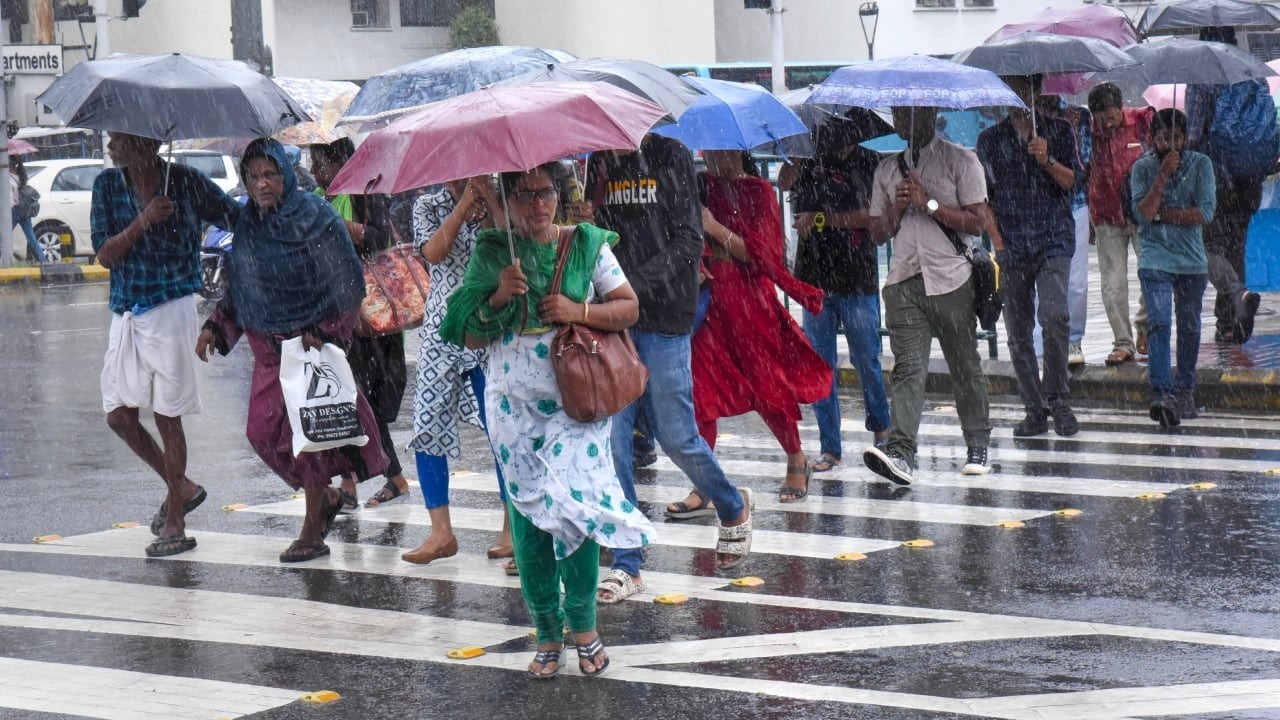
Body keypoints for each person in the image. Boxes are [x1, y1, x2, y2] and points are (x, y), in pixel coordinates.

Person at [439, 162, 656, 679]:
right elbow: (467, 334)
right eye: (526, 195)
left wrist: (578, 311)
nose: (539, 205)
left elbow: (628, 307)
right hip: (512, 407)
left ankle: (584, 626)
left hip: (575, 401)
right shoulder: (493, 250)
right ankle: (545, 632)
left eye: (547, 193)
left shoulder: (585, 243)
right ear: (508, 200)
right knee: (531, 519)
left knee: (577, 509)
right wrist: (497, 296)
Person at [196, 138, 387, 562]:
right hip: (267, 347)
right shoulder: (249, 224)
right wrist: (216, 325)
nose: (262, 184)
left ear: (285, 174)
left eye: (270, 174)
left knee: (309, 438)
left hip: (307, 345)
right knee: (262, 433)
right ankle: (327, 499)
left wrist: (326, 330)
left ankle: (311, 530)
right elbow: (242, 283)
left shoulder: (315, 216)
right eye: (254, 176)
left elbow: (348, 281)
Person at [586, 135, 754, 603]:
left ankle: (731, 503)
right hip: (613, 319)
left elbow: (688, 240)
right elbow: (602, 235)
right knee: (614, 441)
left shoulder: (670, 155)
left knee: (676, 435)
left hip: (663, 317)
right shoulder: (598, 162)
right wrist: (585, 226)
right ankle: (627, 559)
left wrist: (633, 287)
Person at [90, 132, 240, 557]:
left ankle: (176, 516)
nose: (111, 144)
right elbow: (105, 255)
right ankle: (183, 486)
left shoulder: (187, 182)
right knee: (118, 415)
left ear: (146, 143)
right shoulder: (107, 185)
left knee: (167, 415)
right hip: (126, 309)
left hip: (170, 306)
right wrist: (144, 220)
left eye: (120, 138)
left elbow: (233, 216)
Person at [862, 106, 993, 485]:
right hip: (904, 281)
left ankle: (977, 442)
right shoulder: (886, 170)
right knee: (908, 369)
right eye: (899, 115)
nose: (903, 123)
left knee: (964, 364)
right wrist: (900, 206)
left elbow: (977, 221)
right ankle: (901, 451)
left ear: (930, 114)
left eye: (910, 115)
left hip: (952, 277)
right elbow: (876, 232)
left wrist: (929, 204)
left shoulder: (961, 160)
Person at [694, 150, 830, 499]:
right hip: (708, 302)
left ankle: (796, 459)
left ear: (737, 150)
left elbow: (762, 255)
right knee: (701, 390)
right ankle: (705, 482)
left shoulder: (758, 191)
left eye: (718, 149)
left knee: (768, 386)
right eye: (707, 149)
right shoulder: (698, 186)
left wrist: (713, 228)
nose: (711, 156)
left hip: (749, 303)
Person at [400, 176, 513, 566]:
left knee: (500, 427)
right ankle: (441, 531)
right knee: (427, 425)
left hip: (487, 324)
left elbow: (510, 242)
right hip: (441, 329)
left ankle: (511, 527)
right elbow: (432, 252)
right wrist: (463, 204)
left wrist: (490, 202)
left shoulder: (497, 195)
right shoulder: (427, 204)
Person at [977, 75, 1081, 438]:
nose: (1018, 99)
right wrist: (999, 245)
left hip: (1053, 237)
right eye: (1010, 90)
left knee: (1055, 316)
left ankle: (1058, 398)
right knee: (1017, 332)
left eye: (1024, 90)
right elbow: (982, 201)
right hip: (1013, 244)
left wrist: (1047, 158)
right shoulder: (989, 140)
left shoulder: (1059, 130)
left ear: (1037, 92)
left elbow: (1072, 182)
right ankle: (1034, 407)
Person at [310, 138, 410, 512]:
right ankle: (352, 481)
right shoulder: (320, 195)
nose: (317, 170)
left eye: (321, 162)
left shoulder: (367, 190)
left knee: (368, 402)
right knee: (346, 399)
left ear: (341, 162)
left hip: (374, 314)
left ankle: (392, 478)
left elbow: (377, 238)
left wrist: (336, 222)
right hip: (337, 312)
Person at [786, 115, 891, 473]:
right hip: (815, 277)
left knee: (867, 360)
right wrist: (797, 163)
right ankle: (830, 446)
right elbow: (795, 205)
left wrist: (821, 219)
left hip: (857, 277)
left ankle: (882, 432)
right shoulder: (811, 161)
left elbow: (871, 217)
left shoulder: (869, 163)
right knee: (821, 364)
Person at [1130, 109, 1216, 427]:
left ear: (1185, 137)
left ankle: (1185, 389)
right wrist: (1163, 175)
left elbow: (1205, 212)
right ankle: (1163, 393)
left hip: (1192, 262)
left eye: (1176, 137)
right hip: (1155, 259)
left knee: (1190, 327)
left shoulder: (1201, 164)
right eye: (1164, 138)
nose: (1170, 144)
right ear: (1153, 139)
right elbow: (1142, 213)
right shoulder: (1142, 168)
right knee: (1160, 324)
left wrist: (1162, 215)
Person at [1185, 27, 1269, 345]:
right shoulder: (1252, 73)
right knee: (1236, 249)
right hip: (1250, 179)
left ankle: (1238, 296)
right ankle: (1231, 323)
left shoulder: (1202, 77)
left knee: (1208, 249)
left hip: (1216, 177)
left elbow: (1192, 136)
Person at [1087, 83, 1150, 366]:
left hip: (1140, 212)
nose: (1107, 123)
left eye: (1111, 116)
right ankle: (1122, 342)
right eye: (1101, 117)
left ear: (1120, 107)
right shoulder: (1088, 132)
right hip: (1105, 214)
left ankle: (1146, 329)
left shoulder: (1141, 120)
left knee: (1152, 273)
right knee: (1113, 284)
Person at [1036, 95, 1092, 367]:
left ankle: (1073, 339)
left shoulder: (1078, 116)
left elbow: (1082, 165)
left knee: (1076, 281)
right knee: (1039, 280)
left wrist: (1062, 143)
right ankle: (1040, 347)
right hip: (1037, 210)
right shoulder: (1023, 119)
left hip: (1075, 205)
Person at [10, 157, 44, 263]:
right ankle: (44, 261)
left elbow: (11, 198)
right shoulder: (21, 175)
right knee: (31, 237)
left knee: (3, 235)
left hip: (15, 210)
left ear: (10, 166)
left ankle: (5, 258)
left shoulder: (9, 178)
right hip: (24, 210)